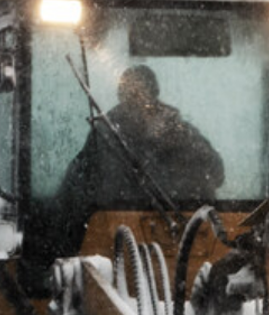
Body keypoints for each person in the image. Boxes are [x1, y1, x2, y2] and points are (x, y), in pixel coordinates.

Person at [60, 65, 225, 209]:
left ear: (154, 95)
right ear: (120, 97)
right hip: (112, 228)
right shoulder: (105, 137)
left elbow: (216, 172)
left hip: (183, 227)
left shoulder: (182, 134)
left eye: (138, 95)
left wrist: (179, 143)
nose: (133, 103)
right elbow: (74, 186)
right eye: (127, 95)